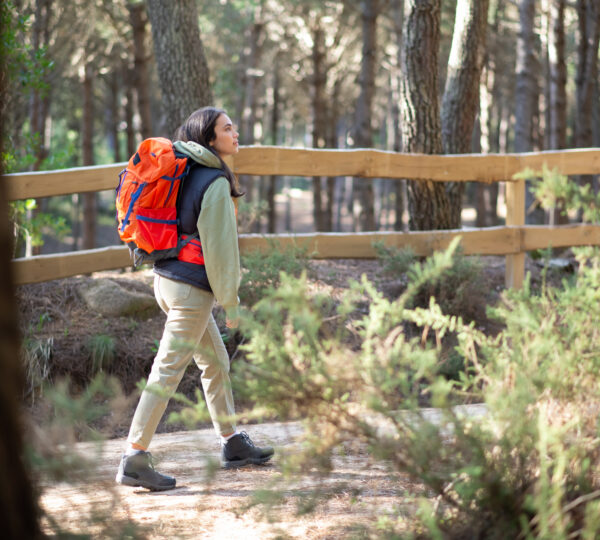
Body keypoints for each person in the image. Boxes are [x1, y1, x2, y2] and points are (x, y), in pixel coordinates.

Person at [116, 107, 274, 491]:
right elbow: (221, 251)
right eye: (227, 128)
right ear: (209, 138)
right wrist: (231, 301)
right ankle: (134, 457)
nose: (236, 134)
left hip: (167, 281)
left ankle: (232, 442)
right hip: (191, 291)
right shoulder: (214, 181)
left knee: (215, 361)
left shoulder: (183, 168)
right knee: (167, 370)